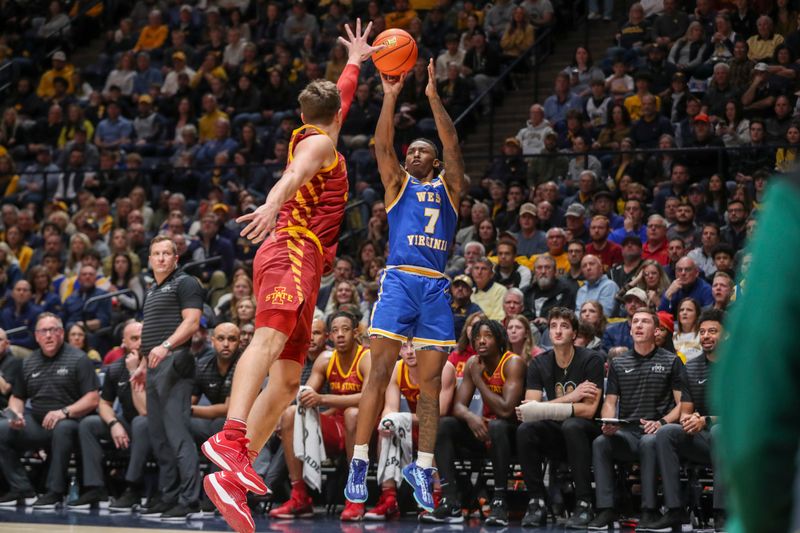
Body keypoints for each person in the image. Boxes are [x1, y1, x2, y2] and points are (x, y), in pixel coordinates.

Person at [201, 22, 379, 533]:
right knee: (268, 338)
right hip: (290, 248)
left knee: (284, 384)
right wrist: (270, 206)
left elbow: (341, 98)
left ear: (305, 114)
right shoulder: (318, 146)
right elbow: (294, 175)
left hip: (308, 265)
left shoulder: (327, 130)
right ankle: (231, 437)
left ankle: (233, 475)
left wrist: (355, 62)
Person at [345, 57, 465, 517]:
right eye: (410, 150)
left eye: (422, 151)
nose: (412, 154)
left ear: (434, 161)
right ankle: (360, 463)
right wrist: (391, 95)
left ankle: (423, 466)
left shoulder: (451, 187)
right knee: (379, 373)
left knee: (431, 385)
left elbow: (452, 143)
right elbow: (381, 146)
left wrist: (433, 97)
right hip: (398, 282)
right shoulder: (397, 186)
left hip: (434, 286)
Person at [589, 308, 687, 530]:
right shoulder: (619, 363)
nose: (639, 325)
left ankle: (649, 510)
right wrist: (608, 423)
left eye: (645, 322)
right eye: (635, 322)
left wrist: (661, 422)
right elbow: (610, 402)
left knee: (649, 441)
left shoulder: (672, 361)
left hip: (659, 433)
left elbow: (682, 404)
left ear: (656, 330)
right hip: (627, 433)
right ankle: (605, 509)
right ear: (630, 329)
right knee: (600, 442)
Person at [129, 236, 205, 520]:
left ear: (176, 259)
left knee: (177, 435)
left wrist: (166, 347)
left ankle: (190, 500)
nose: (161, 258)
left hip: (176, 361)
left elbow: (192, 322)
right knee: (159, 437)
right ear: (149, 259)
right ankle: (169, 493)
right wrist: (143, 364)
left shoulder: (185, 282)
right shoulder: (152, 289)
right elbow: (152, 330)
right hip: (154, 365)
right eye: (156, 254)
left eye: (166, 254)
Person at [270, 311, 371, 520]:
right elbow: (305, 395)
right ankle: (300, 497)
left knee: (353, 414)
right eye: (335, 331)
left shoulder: (367, 357)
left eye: (345, 330)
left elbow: (370, 399)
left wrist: (323, 399)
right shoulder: (325, 359)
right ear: (330, 337)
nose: (340, 335)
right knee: (290, 414)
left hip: (369, 430)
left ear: (355, 333)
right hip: (338, 427)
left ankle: (355, 497)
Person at [424, 318, 524, 525]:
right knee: (443, 425)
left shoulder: (513, 363)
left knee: (497, 425)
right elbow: (459, 406)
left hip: (512, 435)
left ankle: (499, 501)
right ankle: (450, 500)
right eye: (477, 337)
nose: (481, 341)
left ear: (499, 339)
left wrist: (479, 380)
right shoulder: (473, 363)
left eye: (488, 336)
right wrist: (472, 418)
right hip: (484, 430)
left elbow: (506, 410)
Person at [515, 308, 603, 528]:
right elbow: (529, 412)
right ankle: (536, 501)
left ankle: (584, 503)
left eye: (564, 326)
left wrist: (543, 407)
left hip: (587, 433)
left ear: (574, 333)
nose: (558, 331)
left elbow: (589, 411)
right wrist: (572, 397)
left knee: (572, 425)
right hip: (556, 432)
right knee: (526, 430)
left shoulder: (592, 359)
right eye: (553, 326)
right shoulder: (538, 363)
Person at [0, 313, 99, 508]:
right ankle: (22, 489)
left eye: (53, 330)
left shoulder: (79, 359)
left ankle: (54, 492)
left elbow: (92, 398)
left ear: (61, 333)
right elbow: (17, 396)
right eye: (43, 331)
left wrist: (64, 411)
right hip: (37, 421)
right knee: (1, 429)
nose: (48, 335)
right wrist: (16, 413)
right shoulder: (28, 362)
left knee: (63, 428)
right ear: (36, 336)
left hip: (72, 420)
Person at [651, 308, 726, 531]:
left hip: (734, 439)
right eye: (702, 332)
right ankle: (675, 510)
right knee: (666, 432)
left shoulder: (738, 366)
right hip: (703, 438)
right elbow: (685, 410)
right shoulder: (691, 367)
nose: (706, 336)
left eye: (713, 331)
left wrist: (705, 420)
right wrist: (689, 420)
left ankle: (722, 512)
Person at [365, 341, 457, 520]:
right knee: (387, 428)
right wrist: (388, 421)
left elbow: (441, 411)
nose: (409, 352)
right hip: (415, 423)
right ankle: (388, 498)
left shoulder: (444, 368)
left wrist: (401, 419)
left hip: (445, 430)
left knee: (430, 430)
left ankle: (437, 496)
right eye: (404, 347)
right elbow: (390, 407)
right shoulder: (396, 369)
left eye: (414, 346)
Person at [71, 321, 148, 510]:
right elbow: (104, 403)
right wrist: (114, 423)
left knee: (141, 422)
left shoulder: (155, 363)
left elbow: (145, 411)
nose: (139, 343)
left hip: (155, 425)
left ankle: (133, 488)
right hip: (127, 422)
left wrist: (132, 371)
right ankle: (95, 487)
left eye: (142, 338)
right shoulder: (115, 368)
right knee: (89, 424)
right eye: (134, 339)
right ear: (124, 342)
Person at [0, 329, 21, 410]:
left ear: (7, 344)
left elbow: (5, 389)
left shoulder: (14, 362)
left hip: (4, 410)